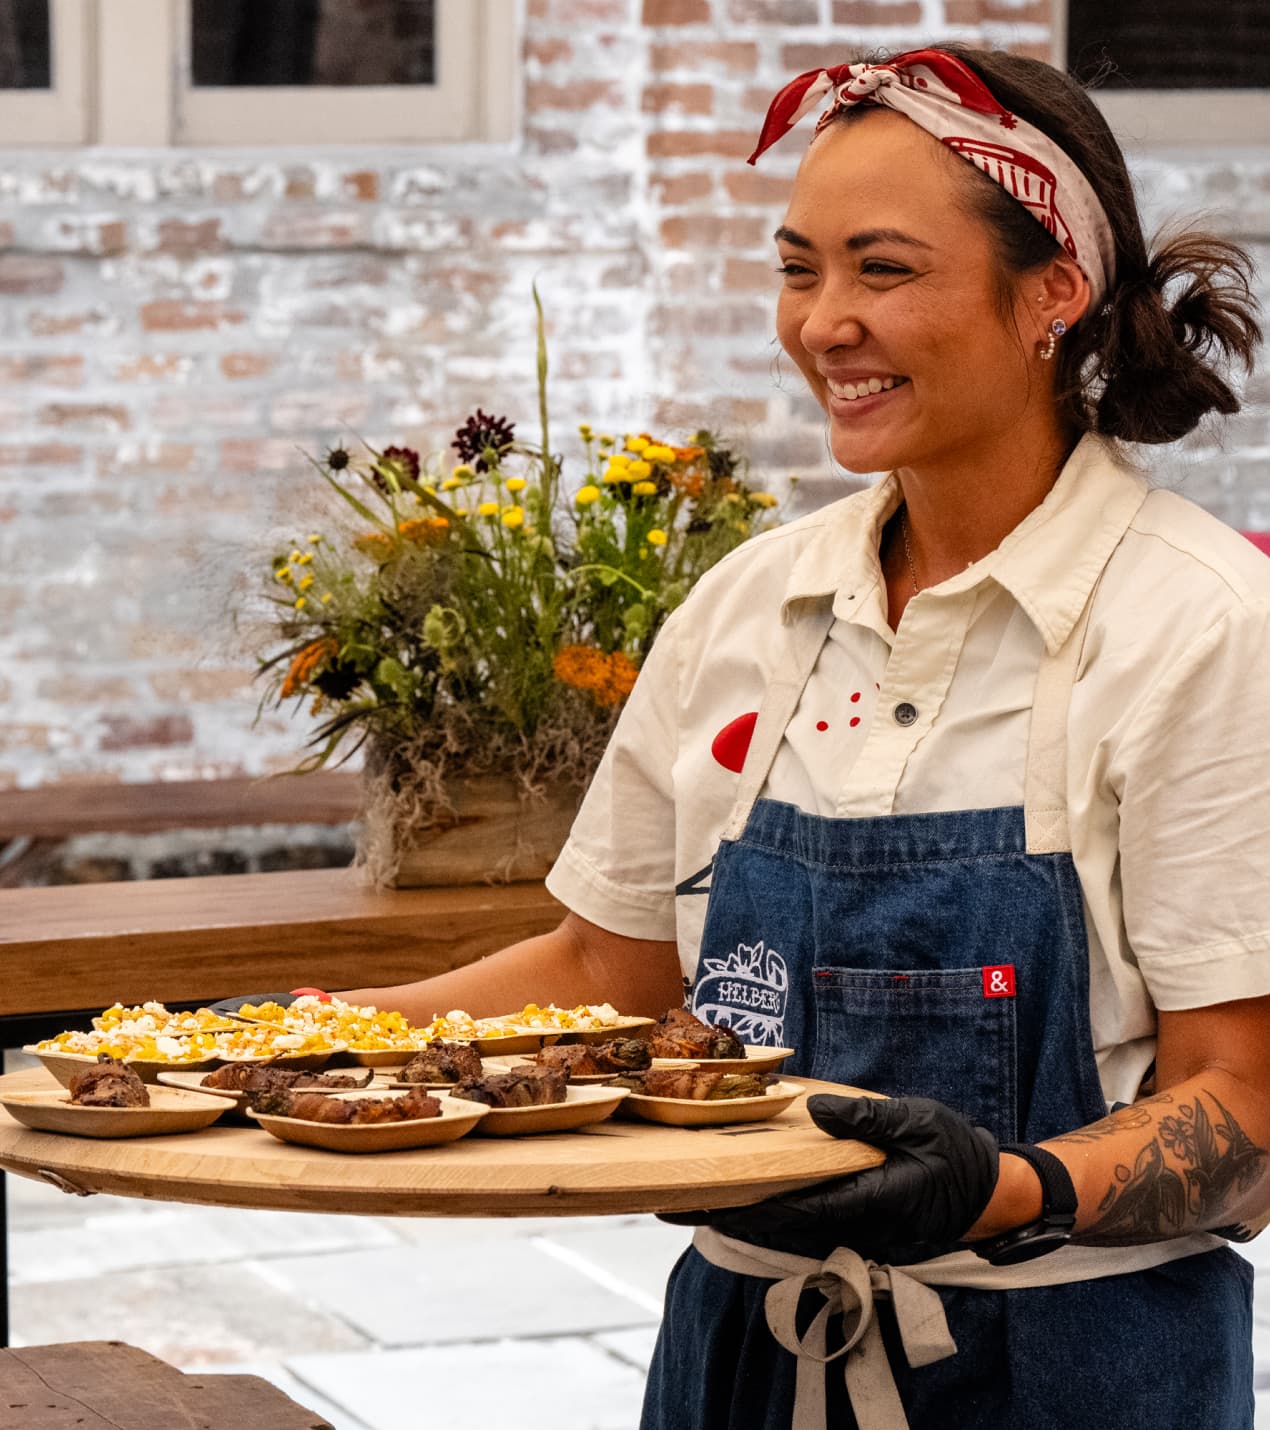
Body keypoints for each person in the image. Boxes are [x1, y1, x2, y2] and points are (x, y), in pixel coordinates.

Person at [337, 45, 1269, 1429]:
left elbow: (1242, 1097)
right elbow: (606, 962)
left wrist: (1001, 1185)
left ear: (1052, 295)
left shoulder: (1198, 625)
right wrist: (288, 1039)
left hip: (1071, 1366)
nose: (823, 321)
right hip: (740, 1353)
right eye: (797, 268)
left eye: (881, 270)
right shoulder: (750, 608)